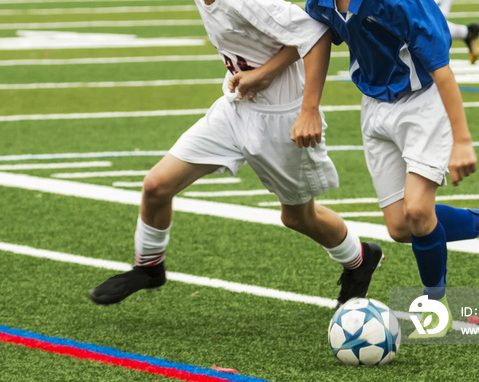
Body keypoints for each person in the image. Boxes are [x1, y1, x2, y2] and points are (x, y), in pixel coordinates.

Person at [89, 0, 384, 309]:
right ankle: (148, 267)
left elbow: (316, 33)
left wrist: (307, 109)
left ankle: (360, 259)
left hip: (281, 118)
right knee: (156, 186)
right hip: (235, 107)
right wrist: (261, 74)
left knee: (298, 217)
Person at [297, 0, 479, 336]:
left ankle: (434, 303)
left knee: (418, 210)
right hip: (374, 107)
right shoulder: (321, 2)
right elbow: (317, 36)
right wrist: (309, 105)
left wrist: (462, 139)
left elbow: (441, 69)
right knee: (400, 226)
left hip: (423, 102)